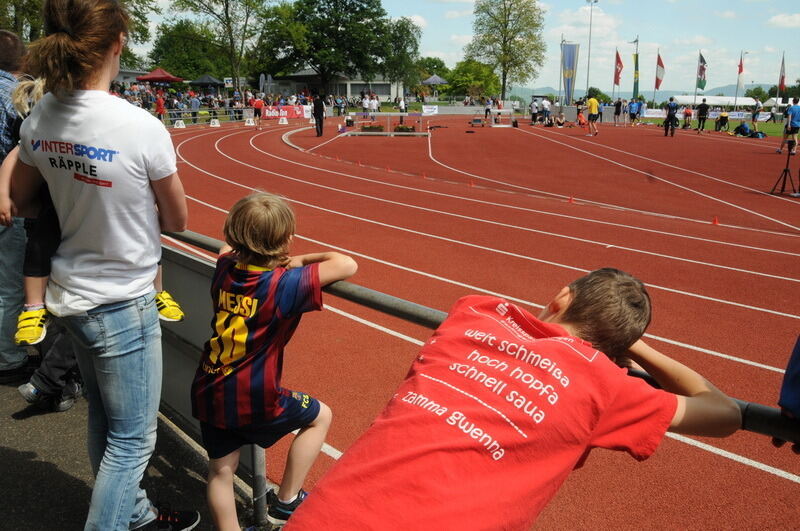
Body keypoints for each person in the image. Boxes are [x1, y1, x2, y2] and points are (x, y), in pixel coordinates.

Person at [284, 268, 741, 530]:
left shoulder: (476, 314)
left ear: (563, 297)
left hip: (324, 517)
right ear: (616, 344)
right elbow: (724, 413)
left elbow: (525, 324)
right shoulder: (608, 386)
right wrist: (632, 346)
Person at [6, 1, 197, 528]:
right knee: (133, 441)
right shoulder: (140, 126)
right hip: (122, 302)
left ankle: (134, 513)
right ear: (117, 45)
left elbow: (20, 200)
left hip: (69, 295)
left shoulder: (41, 115)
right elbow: (177, 218)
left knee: (105, 419)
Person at [191, 192, 357, 529]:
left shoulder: (224, 268)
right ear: (285, 239)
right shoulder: (282, 284)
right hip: (253, 396)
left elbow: (226, 250)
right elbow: (346, 264)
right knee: (320, 416)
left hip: (209, 386)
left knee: (221, 471)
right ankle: (286, 500)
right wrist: (297, 260)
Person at [0, 29, 33, 384]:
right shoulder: (14, 95)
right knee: (9, 284)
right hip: (7, 201)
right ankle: (8, 358)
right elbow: (26, 146)